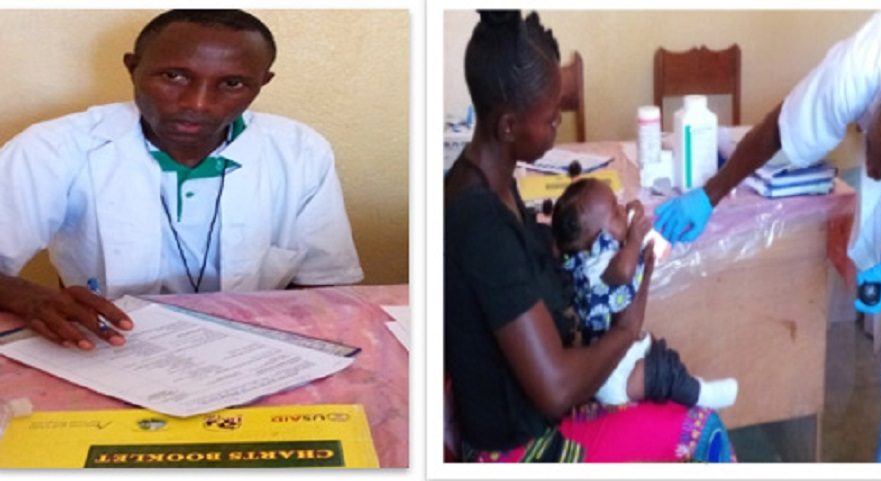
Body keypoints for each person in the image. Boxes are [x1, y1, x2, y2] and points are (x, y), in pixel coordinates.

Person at [653, 11, 881, 462]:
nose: (869, 172)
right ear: (880, 108)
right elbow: (782, 126)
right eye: (872, 154)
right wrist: (709, 194)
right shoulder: (863, 64)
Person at [445, 10, 734, 462]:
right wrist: (623, 331)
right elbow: (556, 389)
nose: (557, 126)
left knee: (664, 383)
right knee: (700, 429)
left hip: (528, 409)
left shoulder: (492, 184)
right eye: (551, 119)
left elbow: (530, 264)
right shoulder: (478, 221)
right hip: (515, 449)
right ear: (508, 126)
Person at [0, 10, 363, 351]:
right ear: (133, 68)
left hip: (250, 348)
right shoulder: (52, 148)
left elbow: (325, 286)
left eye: (233, 83)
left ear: (261, 84)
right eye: (174, 76)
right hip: (109, 342)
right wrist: (30, 297)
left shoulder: (300, 151)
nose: (198, 103)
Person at [551, 178, 738, 409]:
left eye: (618, 204)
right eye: (616, 213)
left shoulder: (608, 248)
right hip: (612, 374)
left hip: (622, 353)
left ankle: (687, 383)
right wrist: (635, 238)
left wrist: (631, 213)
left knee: (660, 354)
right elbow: (624, 271)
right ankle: (701, 395)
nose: (622, 210)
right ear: (595, 239)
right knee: (661, 373)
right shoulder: (593, 266)